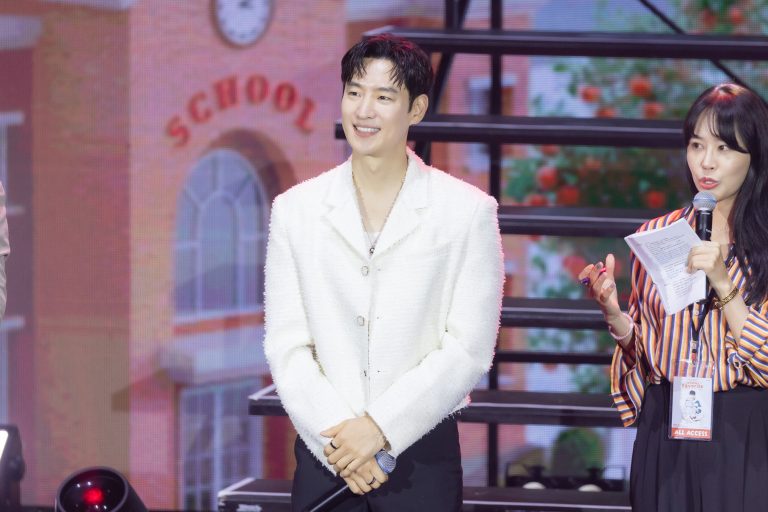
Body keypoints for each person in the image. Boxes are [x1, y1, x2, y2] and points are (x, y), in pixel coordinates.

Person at [263, 34, 504, 511]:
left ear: (417, 109)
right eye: (354, 92)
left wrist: (379, 428)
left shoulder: (466, 211)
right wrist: (342, 443)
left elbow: (469, 349)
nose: (363, 110)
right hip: (326, 451)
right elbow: (286, 346)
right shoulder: (296, 210)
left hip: (421, 457)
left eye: (383, 97)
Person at [578, 83, 768, 511]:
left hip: (745, 435)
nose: (706, 162)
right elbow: (649, 355)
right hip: (667, 426)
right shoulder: (657, 236)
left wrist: (723, 284)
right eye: (696, 145)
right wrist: (616, 317)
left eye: (723, 148)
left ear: (754, 155)